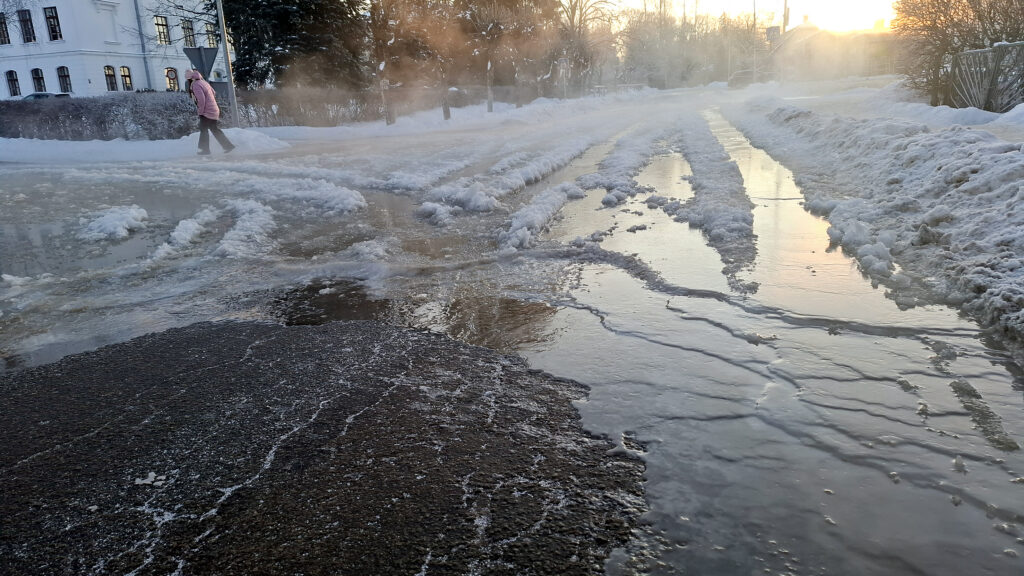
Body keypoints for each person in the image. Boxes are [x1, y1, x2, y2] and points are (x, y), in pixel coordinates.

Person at [185, 69, 234, 155]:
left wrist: (200, 111)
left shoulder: (196, 85)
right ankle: (228, 146)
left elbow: (201, 100)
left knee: (203, 130)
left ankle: (204, 150)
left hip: (207, 111)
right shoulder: (204, 82)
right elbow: (214, 92)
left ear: (190, 79)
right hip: (214, 109)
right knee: (214, 129)